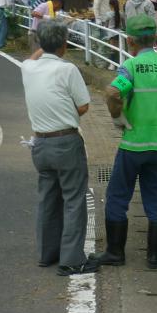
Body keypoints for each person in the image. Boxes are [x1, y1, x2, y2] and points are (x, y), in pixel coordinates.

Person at [96, 14, 157, 271]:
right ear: (156, 38)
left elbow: (114, 91)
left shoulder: (131, 68)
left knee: (118, 195)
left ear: (130, 41)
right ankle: (152, 256)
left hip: (134, 145)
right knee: (156, 195)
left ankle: (116, 252)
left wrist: (118, 117)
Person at [20, 19, 98, 276]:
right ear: (65, 45)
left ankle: (47, 253)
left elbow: (34, 56)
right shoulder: (68, 70)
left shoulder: (27, 68)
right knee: (74, 199)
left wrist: (44, 44)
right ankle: (72, 259)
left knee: (47, 198)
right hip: (66, 141)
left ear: (40, 44)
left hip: (39, 144)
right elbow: (84, 106)